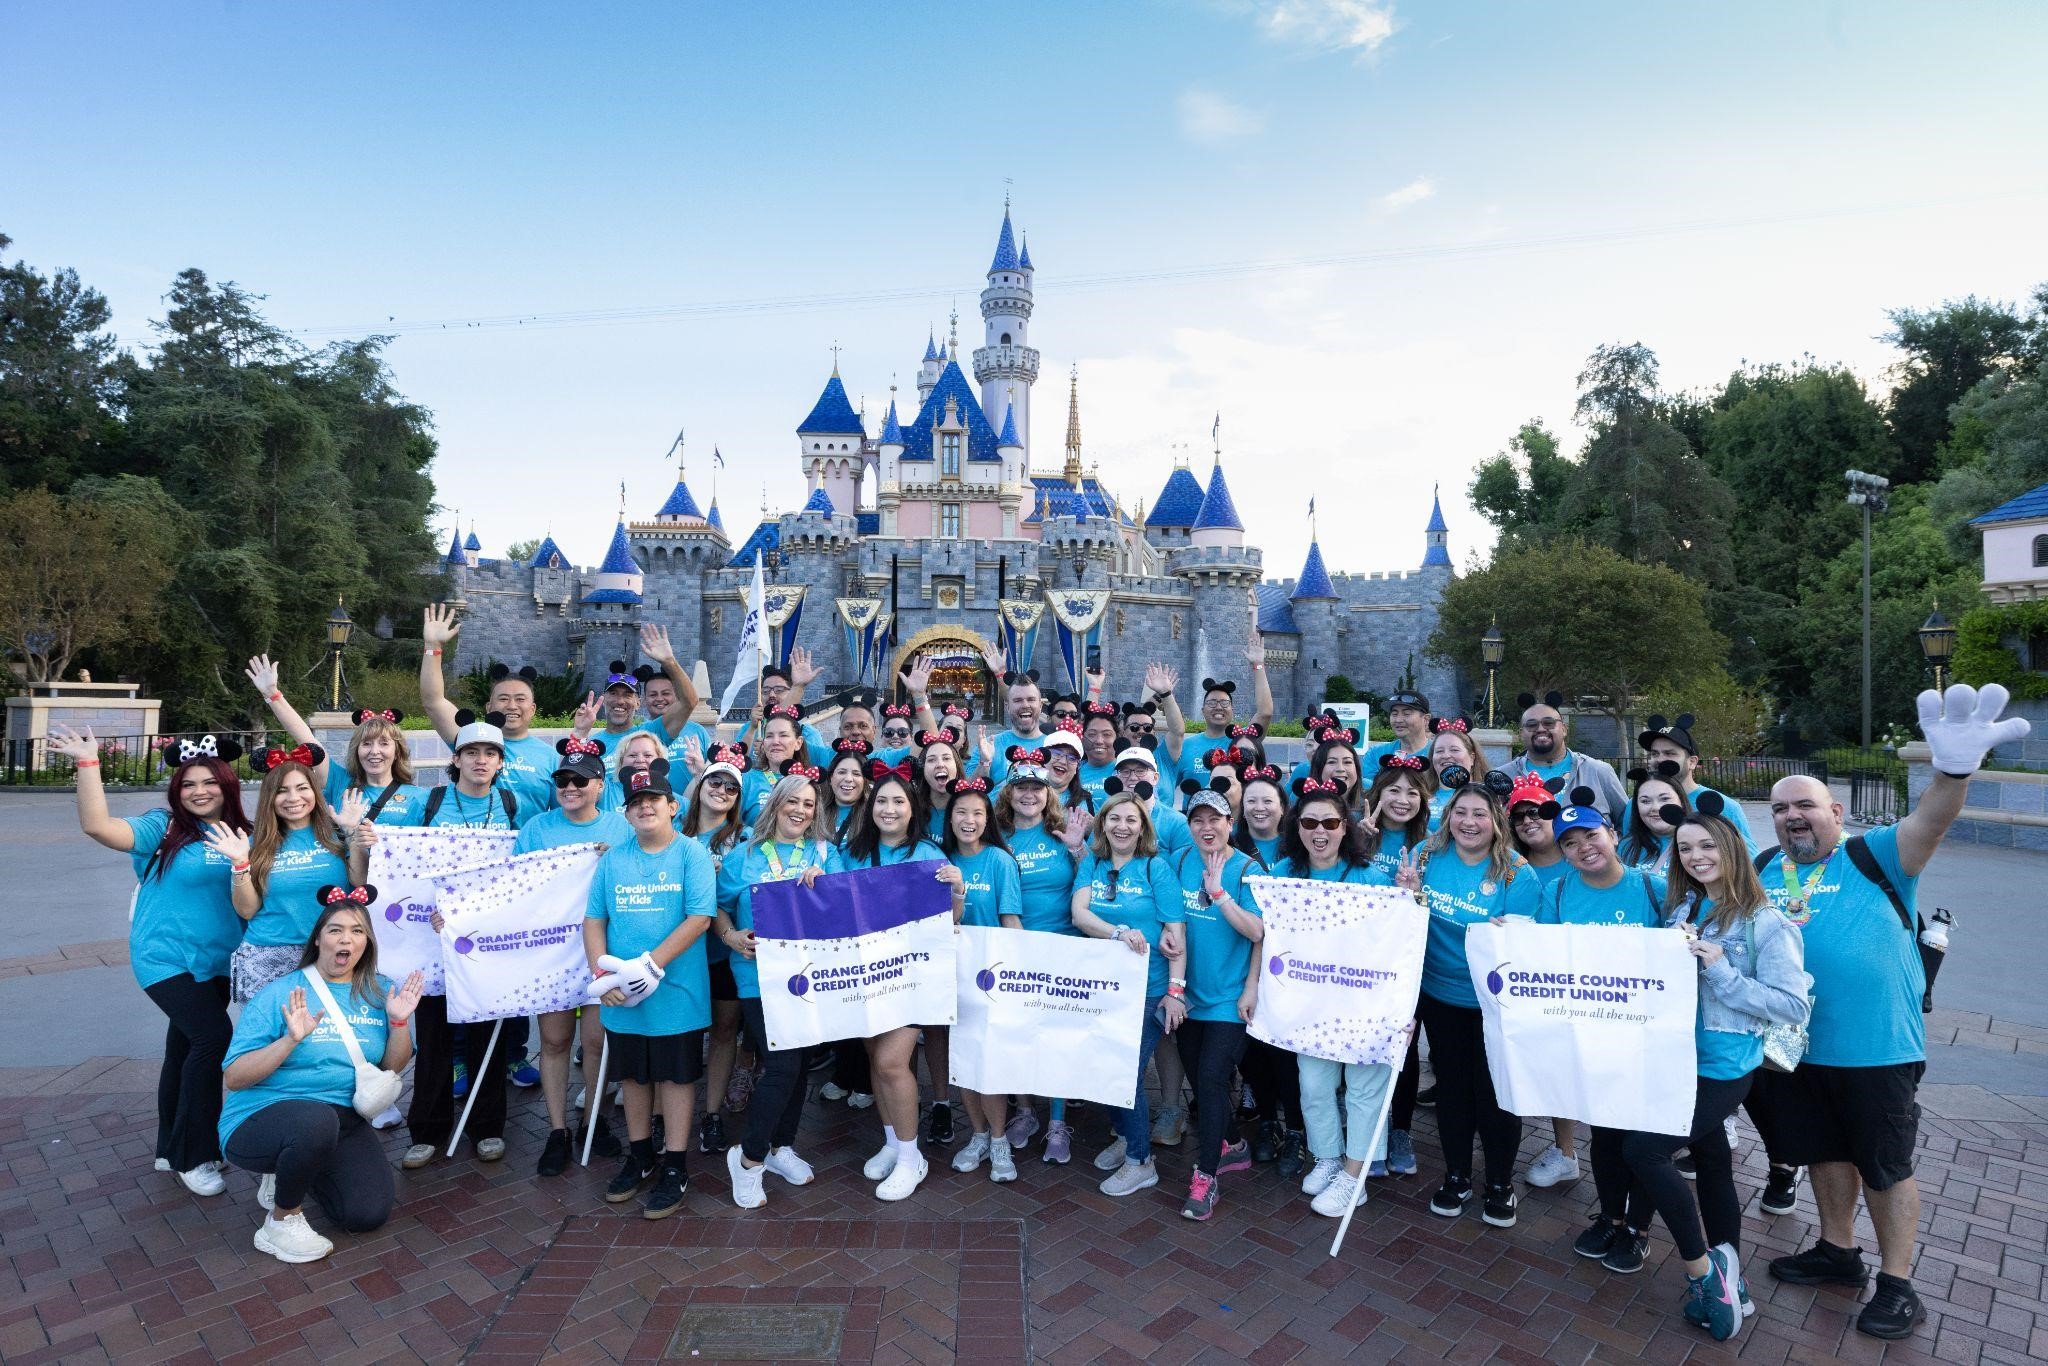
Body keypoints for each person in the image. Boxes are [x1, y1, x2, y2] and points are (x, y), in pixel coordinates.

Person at [1755, 685, 2027, 1339]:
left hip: (1877, 1047)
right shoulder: (1766, 866)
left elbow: (1932, 817)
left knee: (1884, 1165)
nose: (1794, 816)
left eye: (1806, 805)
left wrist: (1953, 772)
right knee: (1823, 1154)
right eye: (1781, 807)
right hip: (1797, 1048)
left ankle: (1899, 1283)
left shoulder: (1873, 854)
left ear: (1835, 810)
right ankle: (1839, 1253)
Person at [1603, 793, 1809, 1343]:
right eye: (1685, 848)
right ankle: (1733, 1274)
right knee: (1713, 1159)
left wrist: (1720, 971)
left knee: (1643, 1150)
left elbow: (1793, 1006)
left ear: (1732, 848)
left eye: (1706, 845)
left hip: (1722, 1065)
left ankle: (1702, 1272)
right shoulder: (1683, 911)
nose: (1695, 856)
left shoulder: (1765, 921)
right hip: (1675, 1055)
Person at [50, 725, 248, 1197]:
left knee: (183, 1049)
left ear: (226, 783)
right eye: (188, 784)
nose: (199, 791)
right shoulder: (162, 827)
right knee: (213, 1037)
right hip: (164, 959)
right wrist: (88, 764)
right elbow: (98, 826)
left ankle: (168, 1147)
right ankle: (195, 1154)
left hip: (217, 962)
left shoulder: (243, 832)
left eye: (208, 782)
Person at [221, 895, 423, 1263]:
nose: (346, 940)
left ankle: (297, 1168)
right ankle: (281, 1222)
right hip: (264, 1114)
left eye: (357, 931)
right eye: (336, 930)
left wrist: (397, 1023)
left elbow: (391, 1068)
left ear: (367, 942)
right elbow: (234, 1077)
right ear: (318, 939)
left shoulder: (379, 990)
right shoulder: (282, 993)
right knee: (314, 1120)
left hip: (340, 1120)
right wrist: (289, 1041)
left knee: (366, 1215)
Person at [1396, 779, 1539, 1229]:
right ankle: (1456, 1175)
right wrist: (1407, 892)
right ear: (1448, 816)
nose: (1469, 822)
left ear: (1496, 822)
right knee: (1454, 1091)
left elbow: (1527, 948)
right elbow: (1403, 918)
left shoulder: (1517, 873)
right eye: (1461, 812)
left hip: (1493, 1003)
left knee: (1495, 1096)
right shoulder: (1424, 856)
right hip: (1440, 996)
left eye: (1479, 814)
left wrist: (1511, 932)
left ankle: (1499, 1183)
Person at [1537, 794, 1669, 1274]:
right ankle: (1611, 1216)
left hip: (1645, 1039)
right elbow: (1545, 960)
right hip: (1591, 1038)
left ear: (1614, 835)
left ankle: (1638, 1228)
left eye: (1591, 835)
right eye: (1569, 843)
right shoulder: (1556, 893)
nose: (1583, 848)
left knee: (1642, 1141)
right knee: (1606, 1135)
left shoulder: (1654, 890)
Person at [391, 709, 525, 1169]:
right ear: (457, 758)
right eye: (472, 752)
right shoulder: (427, 803)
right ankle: (426, 1130)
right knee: (434, 1039)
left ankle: (487, 1127)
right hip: (432, 942)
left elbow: (527, 869)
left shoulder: (511, 804)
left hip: (487, 945)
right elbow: (399, 867)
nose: (481, 761)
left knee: (489, 1036)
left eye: (491, 753)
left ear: (501, 761)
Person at [587, 760, 719, 1219]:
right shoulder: (614, 859)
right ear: (626, 813)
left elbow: (700, 917)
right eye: (637, 803)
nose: (645, 808)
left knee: (676, 1078)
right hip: (622, 997)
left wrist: (650, 965)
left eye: (653, 801)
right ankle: (641, 1154)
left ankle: (676, 1165)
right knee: (632, 1077)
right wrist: (602, 977)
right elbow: (594, 920)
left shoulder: (691, 854)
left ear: (672, 805)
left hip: (676, 992)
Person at [510, 739, 633, 1176]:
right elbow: (514, 888)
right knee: (556, 1041)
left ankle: (593, 1120)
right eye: (563, 780)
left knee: (598, 1042)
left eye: (580, 780)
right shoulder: (537, 829)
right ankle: (557, 1129)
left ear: (600, 785)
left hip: (602, 950)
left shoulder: (621, 829)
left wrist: (612, 860)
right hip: (552, 954)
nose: (570, 787)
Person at [831, 772, 950, 1201]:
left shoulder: (928, 854)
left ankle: (910, 1158)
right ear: (870, 806)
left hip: (911, 976)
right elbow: (832, 904)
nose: (889, 810)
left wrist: (955, 892)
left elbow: (946, 923)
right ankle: (891, 1140)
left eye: (899, 802)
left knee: (891, 1063)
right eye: (882, 801)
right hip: (865, 974)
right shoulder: (851, 853)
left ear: (912, 809)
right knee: (873, 1057)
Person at [716, 765, 829, 1211]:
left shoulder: (824, 853)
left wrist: (823, 888)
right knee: (781, 1065)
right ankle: (747, 1159)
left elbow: (838, 908)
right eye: (793, 800)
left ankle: (782, 1147)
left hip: (810, 976)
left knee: (800, 1065)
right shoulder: (744, 856)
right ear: (775, 803)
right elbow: (719, 910)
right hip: (756, 976)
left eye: (809, 804)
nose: (800, 810)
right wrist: (729, 937)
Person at [1275, 780, 1391, 1215]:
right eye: (1309, 822)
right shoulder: (1283, 875)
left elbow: (1398, 944)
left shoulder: (1373, 877)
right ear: (1297, 827)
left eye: (1329, 822)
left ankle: (1354, 1175)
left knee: (1363, 1090)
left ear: (1346, 828)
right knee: (1315, 1086)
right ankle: (1327, 1157)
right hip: (1311, 1004)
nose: (1318, 831)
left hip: (1366, 1006)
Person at [1070, 785, 1186, 1198]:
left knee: (1126, 1070)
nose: (1122, 826)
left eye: (1131, 820)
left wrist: (1175, 991)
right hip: (1103, 989)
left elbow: (1175, 932)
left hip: (1150, 989)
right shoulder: (1094, 865)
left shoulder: (1157, 868)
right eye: (1114, 818)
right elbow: (1079, 913)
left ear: (1142, 828)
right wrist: (1118, 931)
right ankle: (1123, 1135)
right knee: (1107, 1065)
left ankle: (1141, 1162)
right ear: (1103, 824)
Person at [991, 750, 1088, 1163]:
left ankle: (1057, 1121)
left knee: (1058, 1040)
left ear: (1047, 794)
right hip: (1014, 949)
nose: (1028, 794)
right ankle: (1026, 1111)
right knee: (1017, 1035)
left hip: (1062, 947)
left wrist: (1079, 848)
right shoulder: (998, 836)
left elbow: (1092, 882)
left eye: (1036, 787)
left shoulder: (1064, 831)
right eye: (1020, 787)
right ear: (1009, 793)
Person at [1173, 790, 1265, 1220]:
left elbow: (1260, 933)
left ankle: (1206, 1176)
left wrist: (1221, 894)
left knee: (1211, 1079)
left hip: (1231, 999)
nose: (1206, 828)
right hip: (1189, 996)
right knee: (1198, 1077)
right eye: (1198, 820)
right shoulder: (1179, 860)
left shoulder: (1247, 868)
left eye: (1216, 820)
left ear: (1231, 823)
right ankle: (1233, 1145)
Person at [209, 744, 359, 1004]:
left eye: (302, 788)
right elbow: (247, 911)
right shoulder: (254, 844)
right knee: (274, 1040)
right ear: (270, 797)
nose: (293, 798)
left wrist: (354, 834)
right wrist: (240, 862)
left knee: (326, 1040)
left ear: (315, 791)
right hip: (270, 954)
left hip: (332, 952)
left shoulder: (338, 836)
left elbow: (359, 883)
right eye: (282, 791)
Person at [940, 776, 1026, 1183]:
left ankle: (998, 1141)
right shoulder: (938, 859)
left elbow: (1010, 920)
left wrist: (1020, 972)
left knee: (989, 1065)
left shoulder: (1000, 861)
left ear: (988, 817)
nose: (969, 819)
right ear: (949, 817)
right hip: (949, 976)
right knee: (963, 1063)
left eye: (977, 812)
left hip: (992, 977)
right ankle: (976, 1135)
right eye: (961, 811)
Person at [1502, 771, 1579, 1192]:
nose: (1529, 822)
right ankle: (1564, 1151)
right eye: (1519, 816)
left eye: (1537, 813)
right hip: (1527, 983)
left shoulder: (1580, 857)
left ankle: (1573, 1151)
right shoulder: (1512, 865)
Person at [680, 743, 759, 1151]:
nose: (722, 790)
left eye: (732, 786)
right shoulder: (673, 828)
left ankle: (711, 1114)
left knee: (725, 1031)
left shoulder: (746, 839)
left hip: (722, 954)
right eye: (716, 780)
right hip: (680, 953)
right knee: (680, 1037)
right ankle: (665, 1118)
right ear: (701, 784)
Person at [1227, 761, 1305, 1175]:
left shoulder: (1300, 847)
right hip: (1246, 964)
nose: (1259, 808)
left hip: (1295, 968)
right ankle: (1269, 1123)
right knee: (1254, 1051)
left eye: (1268, 800)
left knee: (1287, 1054)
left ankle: (1295, 1128)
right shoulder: (1232, 849)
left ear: (1282, 806)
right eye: (1251, 800)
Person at [1359, 754, 1433, 1178]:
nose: (1402, 800)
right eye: (1393, 790)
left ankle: (1400, 1130)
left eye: (1412, 792)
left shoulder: (1431, 844)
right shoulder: (1354, 834)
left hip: (1407, 963)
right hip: (1362, 962)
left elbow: (1426, 906)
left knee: (1403, 1048)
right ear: (1378, 793)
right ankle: (1368, 1131)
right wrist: (1357, 840)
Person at [247, 655, 426, 823]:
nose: (374, 751)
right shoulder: (340, 781)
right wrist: (272, 694)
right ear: (356, 750)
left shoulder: (419, 797)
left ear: (397, 752)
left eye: (384, 743)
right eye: (366, 744)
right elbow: (306, 739)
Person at [419, 605, 560, 815]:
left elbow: (560, 813)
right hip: (476, 841)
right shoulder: (470, 738)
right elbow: (433, 701)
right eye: (503, 698)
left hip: (526, 846)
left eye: (520, 699)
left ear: (532, 709)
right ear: (489, 707)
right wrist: (432, 647)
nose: (512, 706)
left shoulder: (551, 757)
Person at [1637, 714, 1759, 853]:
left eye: (1669, 753)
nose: (1659, 760)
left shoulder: (1725, 807)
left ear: (1692, 762)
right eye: (1654, 754)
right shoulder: (1636, 805)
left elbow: (1749, 861)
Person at [1497, 691, 1628, 820]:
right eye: (1532, 725)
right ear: (1521, 734)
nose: (1541, 729)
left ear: (1564, 729)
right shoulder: (1502, 778)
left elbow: (1629, 826)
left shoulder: (1598, 772)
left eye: (1549, 723)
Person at [1176, 633, 1276, 777]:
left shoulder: (1243, 740)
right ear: (1202, 710)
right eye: (1211, 702)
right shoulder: (1186, 746)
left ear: (1232, 709)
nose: (1218, 707)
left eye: (1224, 702)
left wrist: (1258, 664)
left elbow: (1265, 712)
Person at [1425, 719, 1489, 825]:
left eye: (1454, 750)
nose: (1446, 756)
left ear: (1472, 758)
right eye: (1439, 751)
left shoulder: (1489, 795)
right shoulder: (1420, 795)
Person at [1620, 773, 1688, 872]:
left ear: (1681, 800)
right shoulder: (1626, 846)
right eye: (1646, 801)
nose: (1656, 807)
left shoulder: (1701, 841)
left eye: (1664, 799)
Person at [1362, 689, 1433, 770]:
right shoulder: (1376, 754)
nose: (1398, 720)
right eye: (1394, 714)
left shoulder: (1440, 754)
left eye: (1406, 714)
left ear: (1426, 719)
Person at [820, 740, 872, 835]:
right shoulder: (815, 812)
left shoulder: (874, 814)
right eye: (842, 772)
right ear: (831, 777)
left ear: (865, 781)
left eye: (856, 774)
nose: (848, 779)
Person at [1078, 705, 1122, 803]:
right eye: (1092, 734)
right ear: (1082, 738)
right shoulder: (1072, 771)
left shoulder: (1127, 772)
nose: (1099, 741)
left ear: (1117, 738)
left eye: (1106, 734)